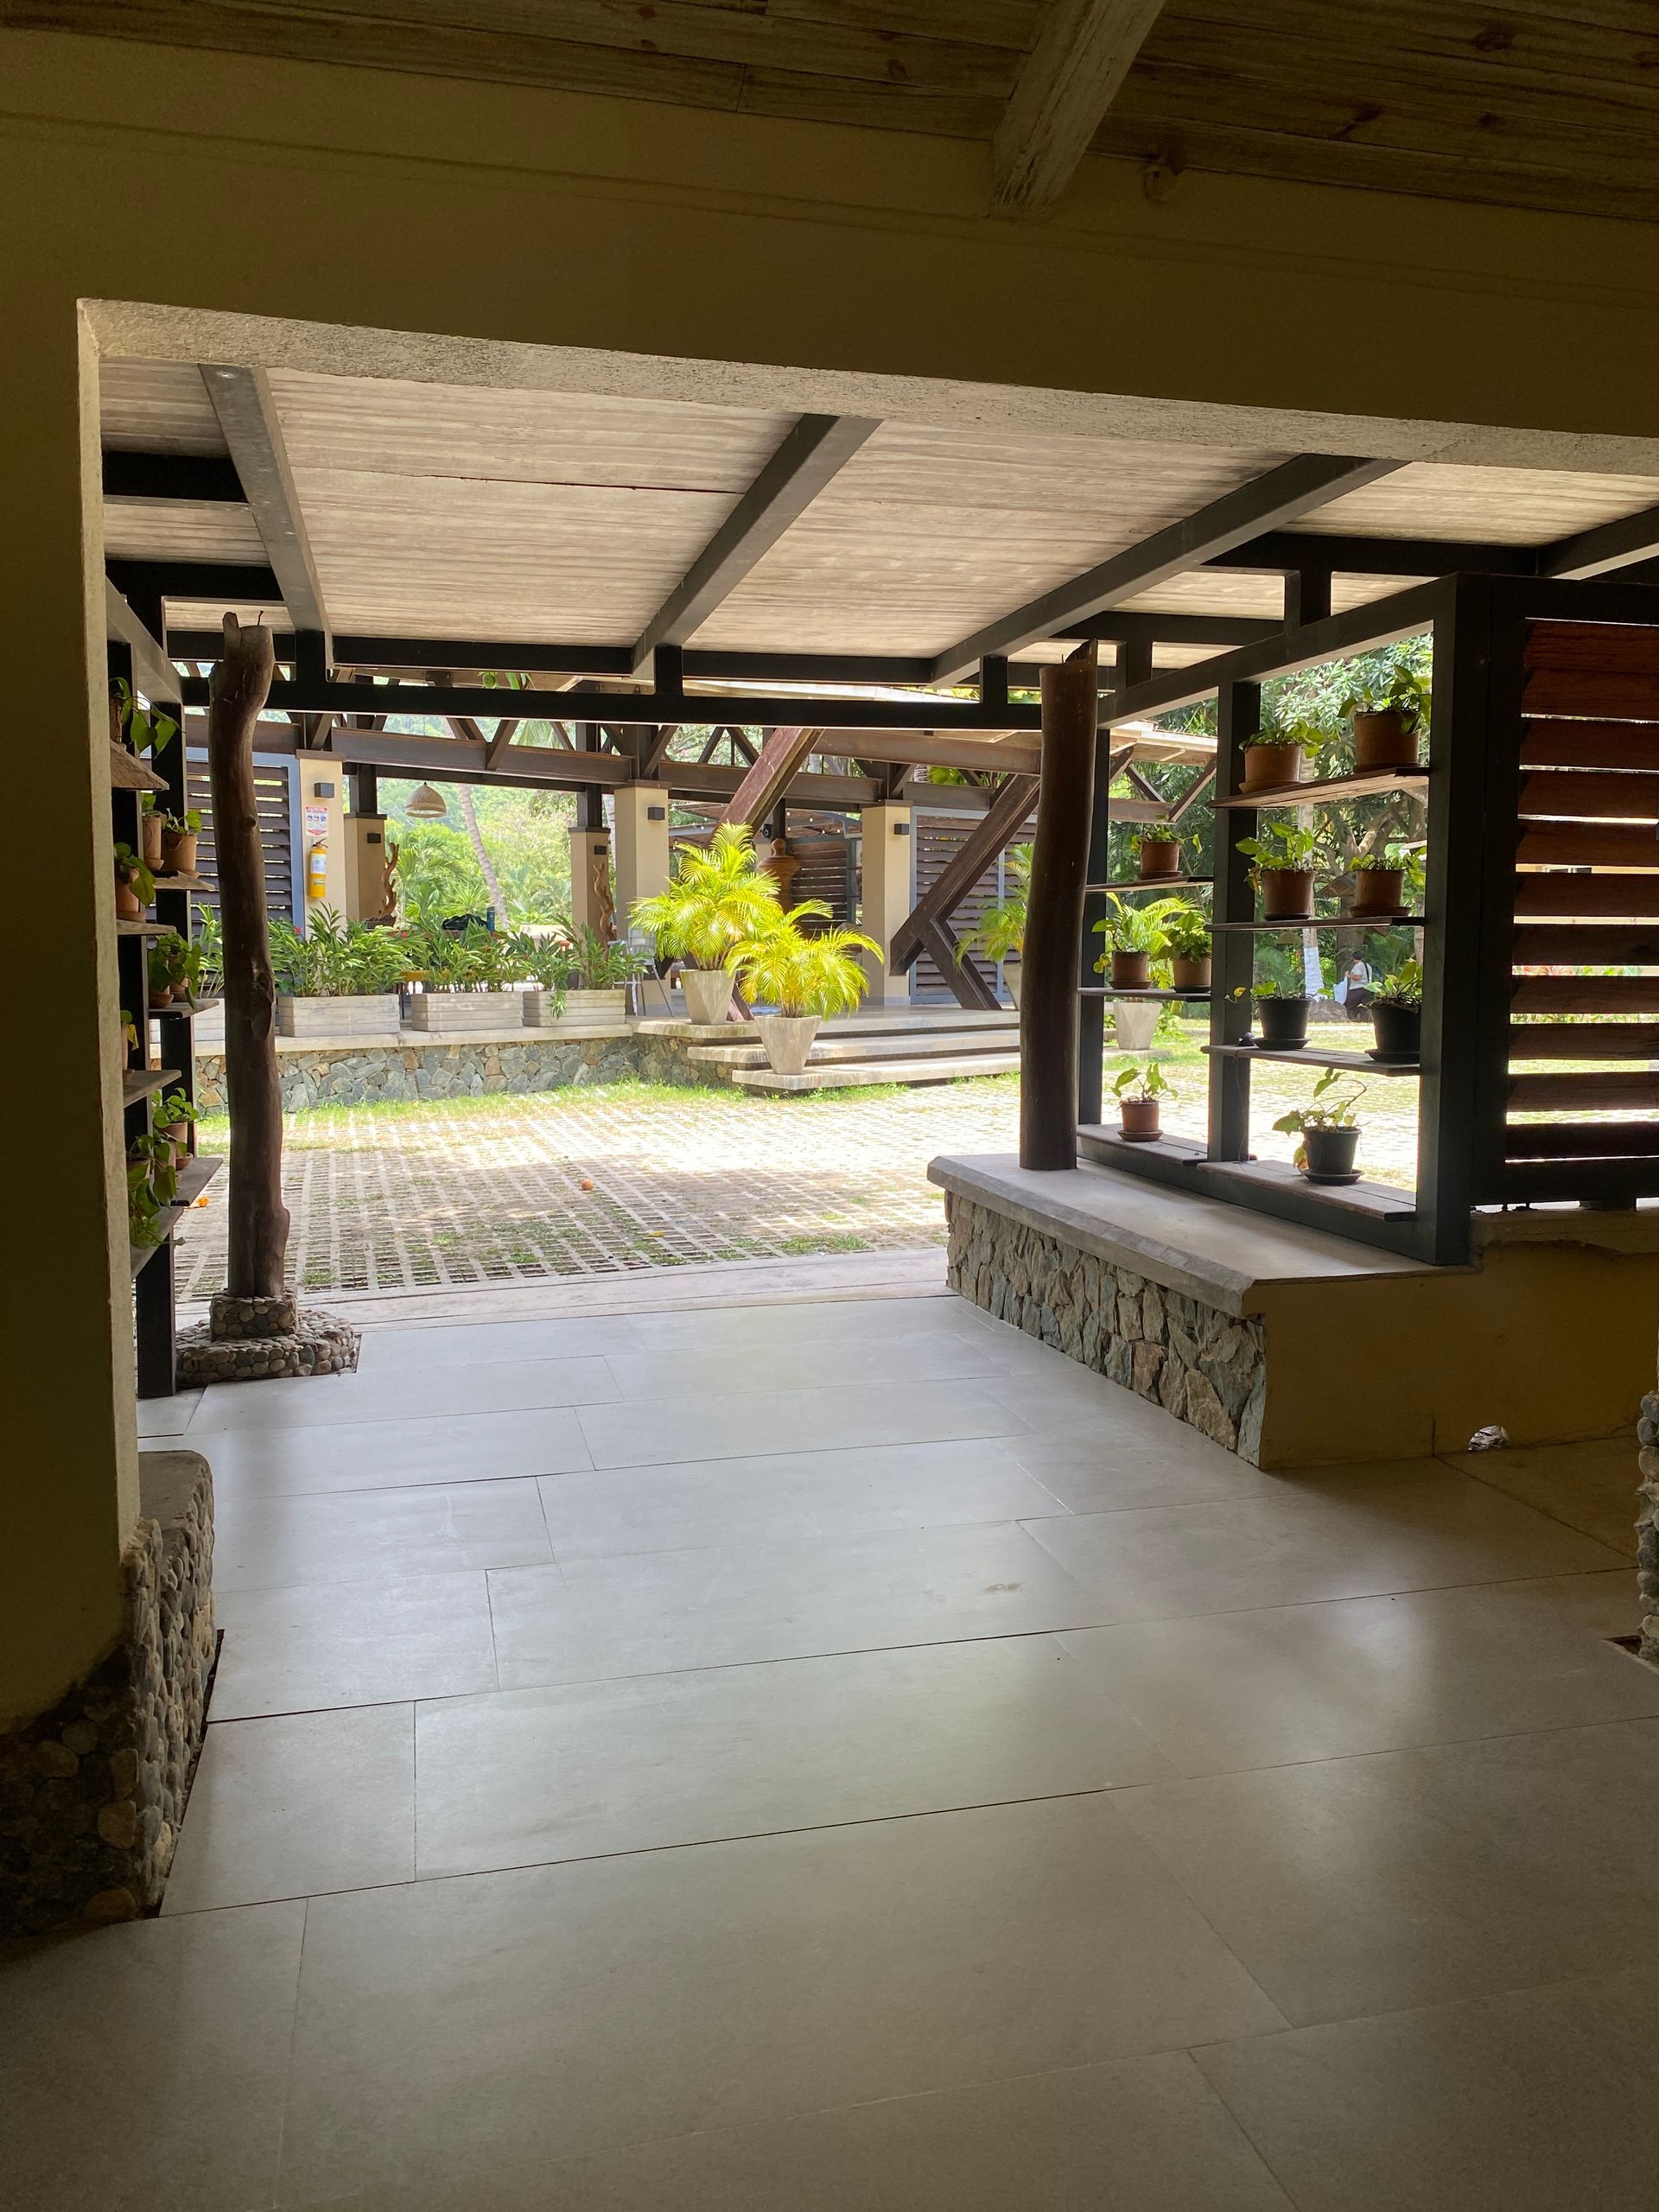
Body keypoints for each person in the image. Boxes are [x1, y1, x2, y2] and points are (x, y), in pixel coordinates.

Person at [1336, 953, 1374, 1020]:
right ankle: (1364, 1020)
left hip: (1357, 989)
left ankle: (1348, 1018)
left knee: (1348, 1005)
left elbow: (1358, 977)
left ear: (1354, 959)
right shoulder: (1368, 966)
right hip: (1367, 988)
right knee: (1363, 1007)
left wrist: (1348, 975)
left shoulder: (1358, 966)